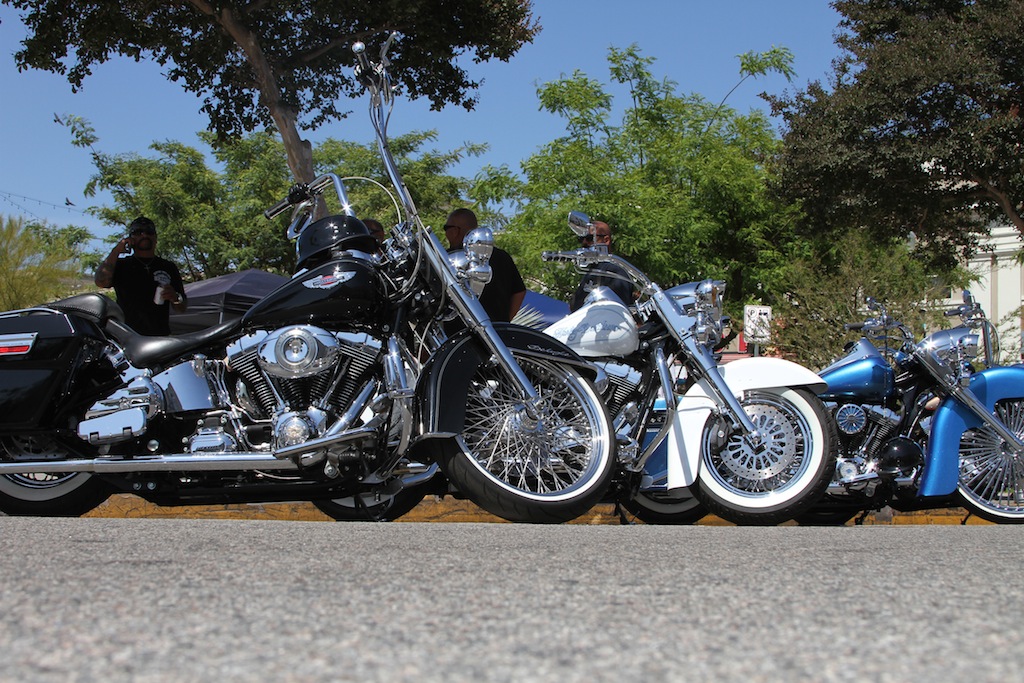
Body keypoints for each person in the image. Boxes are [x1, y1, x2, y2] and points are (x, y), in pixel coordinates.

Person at [94, 216, 187, 336]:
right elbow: (101, 282)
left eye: (149, 231)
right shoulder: (121, 265)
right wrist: (116, 251)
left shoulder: (168, 267)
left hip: (159, 336)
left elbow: (182, 308)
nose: (144, 235)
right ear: (130, 239)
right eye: (138, 232)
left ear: (155, 237)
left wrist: (175, 297)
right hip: (127, 336)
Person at [444, 208, 525, 322]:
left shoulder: (448, 258)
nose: (445, 233)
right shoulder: (502, 256)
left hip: (458, 329)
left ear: (456, 230)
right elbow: (519, 292)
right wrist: (505, 322)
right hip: (495, 329)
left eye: (446, 228)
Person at [570, 220, 634, 311]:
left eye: (589, 238)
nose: (584, 242)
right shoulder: (590, 271)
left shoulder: (614, 271)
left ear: (606, 240)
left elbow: (617, 311)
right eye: (581, 239)